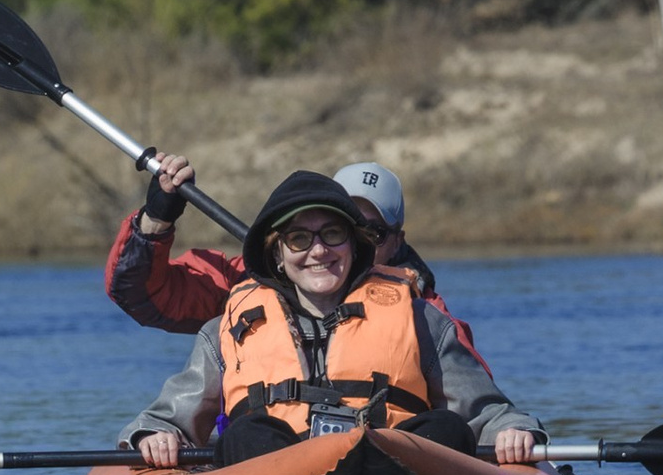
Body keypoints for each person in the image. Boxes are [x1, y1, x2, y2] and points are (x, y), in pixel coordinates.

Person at [122, 170, 542, 469]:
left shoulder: (420, 317)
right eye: (299, 238)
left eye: (333, 234)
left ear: (357, 246)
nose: (319, 251)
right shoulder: (228, 327)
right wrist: (155, 435)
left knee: (444, 429)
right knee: (249, 435)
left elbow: (486, 412)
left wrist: (513, 430)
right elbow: (166, 417)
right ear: (278, 255)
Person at [105, 151, 490, 365]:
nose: (323, 251)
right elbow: (140, 294)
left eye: (374, 233)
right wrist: (156, 219)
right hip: (266, 453)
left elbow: (473, 401)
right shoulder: (246, 285)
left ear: (398, 241)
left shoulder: (421, 311)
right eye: (342, 227)